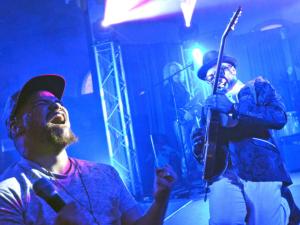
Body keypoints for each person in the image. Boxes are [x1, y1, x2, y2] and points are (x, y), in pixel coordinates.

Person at [0, 74, 177, 225]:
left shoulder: (104, 173)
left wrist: (161, 200)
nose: (57, 106)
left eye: (58, 102)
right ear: (16, 127)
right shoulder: (8, 194)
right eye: (41, 103)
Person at [192, 50, 300, 225]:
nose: (214, 79)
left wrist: (233, 109)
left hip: (260, 167)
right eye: (210, 77)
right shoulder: (209, 106)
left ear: (233, 70)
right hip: (223, 172)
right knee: (223, 221)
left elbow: (279, 117)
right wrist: (199, 146)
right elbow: (206, 142)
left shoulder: (256, 86)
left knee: (264, 221)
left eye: (219, 72)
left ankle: (286, 208)